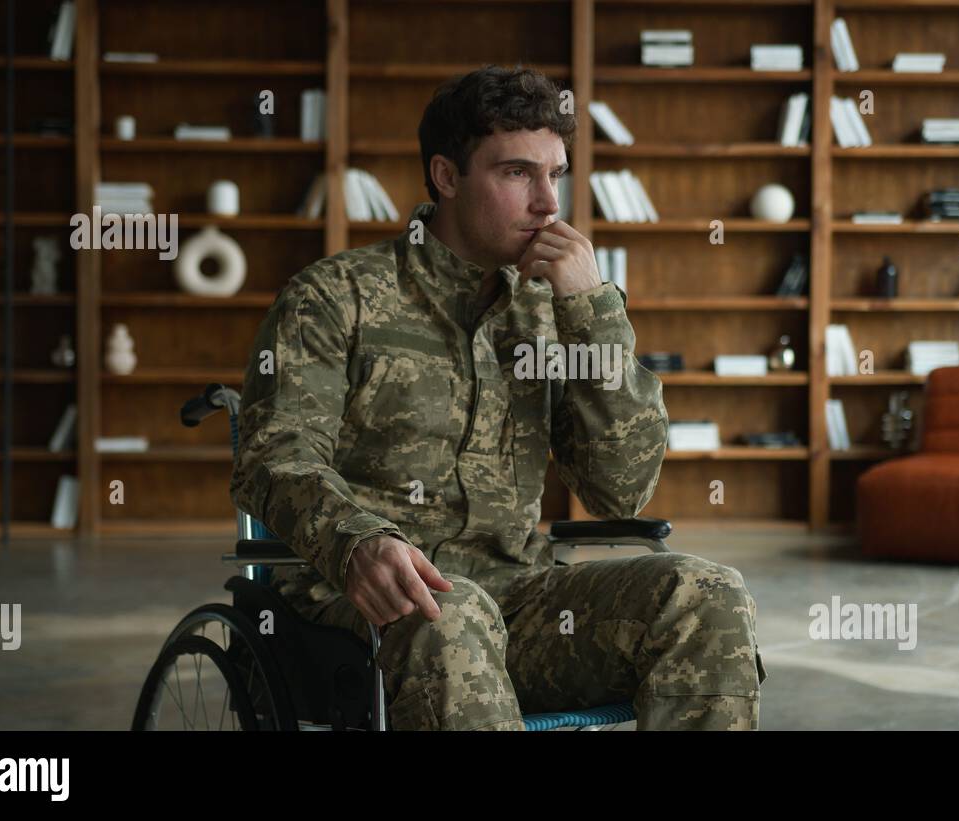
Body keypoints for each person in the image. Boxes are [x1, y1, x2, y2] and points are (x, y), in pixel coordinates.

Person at [231, 64, 766, 730]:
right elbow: (274, 454)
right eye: (518, 173)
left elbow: (621, 491)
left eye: (555, 175)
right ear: (447, 176)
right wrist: (356, 543)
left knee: (707, 594)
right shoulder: (336, 297)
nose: (548, 203)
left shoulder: (557, 310)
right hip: (368, 605)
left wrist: (593, 314)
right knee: (450, 617)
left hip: (524, 600)